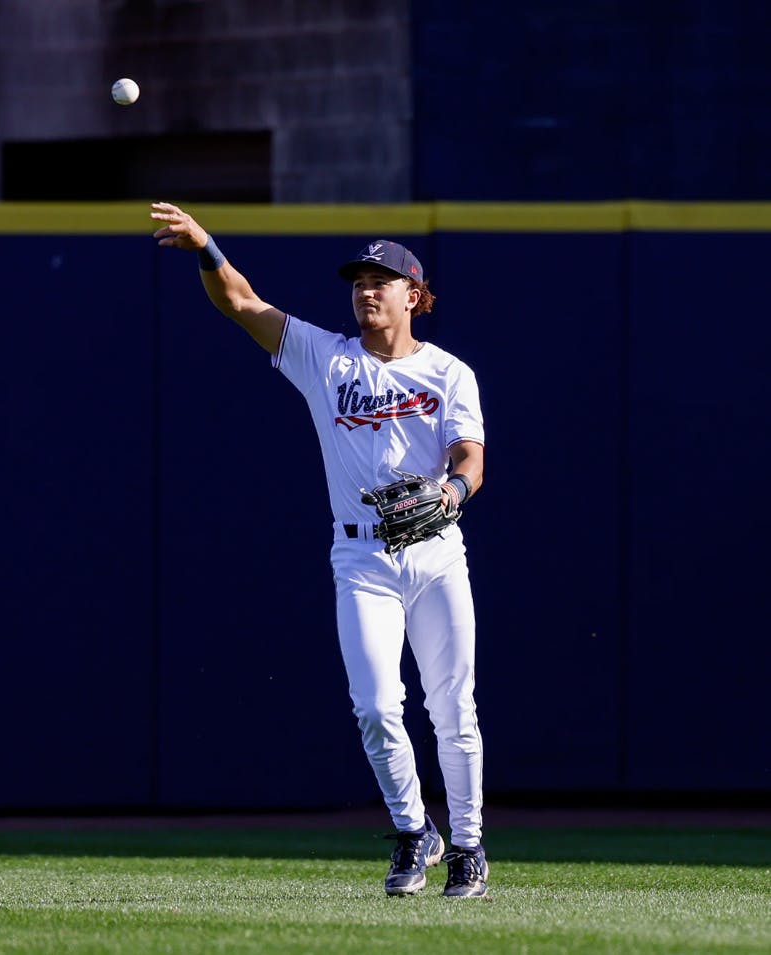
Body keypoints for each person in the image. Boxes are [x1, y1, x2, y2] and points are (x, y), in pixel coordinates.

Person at [150, 201, 489, 898]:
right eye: (359, 279)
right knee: (374, 703)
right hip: (362, 558)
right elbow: (240, 301)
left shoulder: (449, 373)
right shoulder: (325, 357)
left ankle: (469, 846)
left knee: (453, 706)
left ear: (414, 296)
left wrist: (452, 490)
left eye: (382, 279)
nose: (367, 288)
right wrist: (205, 244)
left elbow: (470, 456)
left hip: (434, 552)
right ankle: (411, 831)